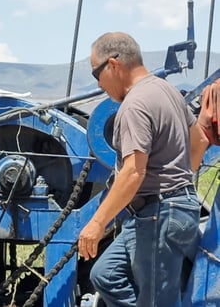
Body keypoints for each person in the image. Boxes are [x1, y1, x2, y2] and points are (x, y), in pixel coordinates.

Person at [77, 32, 210, 307]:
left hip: (158, 215)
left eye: (96, 75)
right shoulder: (167, 91)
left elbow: (133, 172)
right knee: (105, 275)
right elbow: (199, 140)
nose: (99, 86)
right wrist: (181, 185)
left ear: (113, 65)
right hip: (170, 210)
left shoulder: (134, 104)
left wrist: (97, 223)